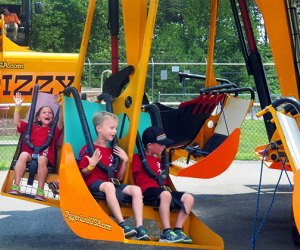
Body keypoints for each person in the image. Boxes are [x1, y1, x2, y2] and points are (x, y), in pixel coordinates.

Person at [78, 111, 150, 240]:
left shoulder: (113, 151)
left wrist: (125, 161)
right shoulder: (88, 149)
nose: (115, 131)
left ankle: (139, 227)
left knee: (136, 189)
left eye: (116, 128)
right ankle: (122, 224)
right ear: (99, 128)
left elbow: (119, 177)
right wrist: (91, 165)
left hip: (111, 184)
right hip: (95, 183)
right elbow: (82, 173)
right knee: (108, 186)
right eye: (111, 128)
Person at [132, 126, 195, 244]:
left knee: (189, 198)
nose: (164, 146)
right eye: (161, 144)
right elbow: (134, 176)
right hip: (147, 190)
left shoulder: (160, 161)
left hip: (162, 190)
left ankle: (177, 229)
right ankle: (166, 231)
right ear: (150, 146)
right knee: (166, 194)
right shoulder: (138, 158)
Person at [9, 92, 64, 201]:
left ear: (53, 118)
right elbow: (17, 122)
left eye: (50, 113)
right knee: (23, 154)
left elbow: (61, 121)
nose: (47, 114)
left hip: (44, 157)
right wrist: (18, 107)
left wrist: (61, 106)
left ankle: (40, 190)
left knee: (42, 159)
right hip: (30, 154)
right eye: (44, 112)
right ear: (38, 117)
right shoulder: (31, 127)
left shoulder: (53, 130)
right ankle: (16, 185)